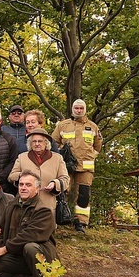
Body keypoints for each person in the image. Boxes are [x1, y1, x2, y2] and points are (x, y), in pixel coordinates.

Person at [0, 171, 57, 277]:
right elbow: (0, 231)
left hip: (40, 257)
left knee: (30, 247)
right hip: (16, 256)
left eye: (28, 185)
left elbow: (29, 236)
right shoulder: (11, 205)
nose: (23, 188)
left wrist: (4, 249)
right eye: (21, 185)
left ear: (37, 189)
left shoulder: (43, 210)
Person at [51, 99, 103, 233]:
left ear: (84, 109)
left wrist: (91, 156)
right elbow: (53, 143)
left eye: (81, 108)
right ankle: (59, 219)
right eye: (76, 108)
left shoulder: (93, 127)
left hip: (86, 167)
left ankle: (80, 222)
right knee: (62, 192)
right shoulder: (62, 125)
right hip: (66, 165)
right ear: (72, 109)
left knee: (83, 195)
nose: (79, 110)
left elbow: (98, 146)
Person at [8, 128, 69, 213]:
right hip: (25, 205)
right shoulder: (22, 157)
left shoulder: (57, 158)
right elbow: (11, 176)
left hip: (48, 205)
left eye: (40, 141)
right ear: (30, 143)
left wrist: (55, 184)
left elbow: (65, 179)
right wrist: (23, 176)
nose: (37, 144)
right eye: (34, 141)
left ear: (46, 143)